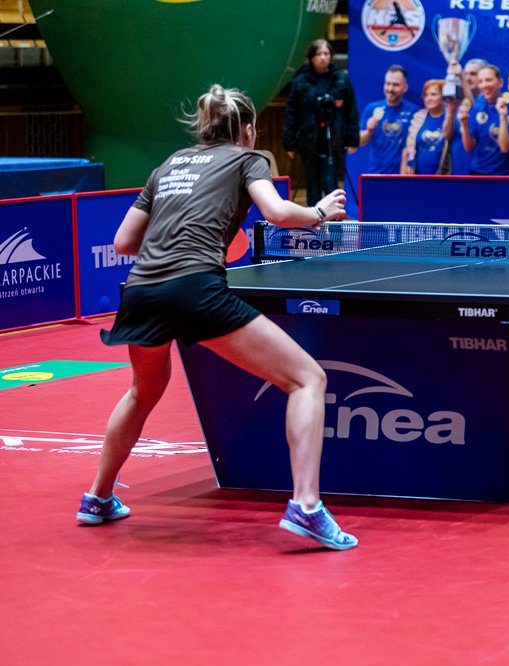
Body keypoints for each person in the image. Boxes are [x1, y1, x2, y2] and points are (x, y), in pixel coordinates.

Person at [77, 85, 358, 550]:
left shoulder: (168, 166)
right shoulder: (249, 159)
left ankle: (97, 497)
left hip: (142, 292)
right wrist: (318, 212)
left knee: (143, 391)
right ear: (247, 130)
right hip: (194, 289)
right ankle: (307, 507)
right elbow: (276, 212)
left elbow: (124, 242)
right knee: (308, 379)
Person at [282, 39, 359, 206]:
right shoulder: (300, 81)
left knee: (331, 181)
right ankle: (313, 217)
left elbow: (351, 111)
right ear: (311, 57)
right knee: (312, 184)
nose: (323, 57)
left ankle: (334, 218)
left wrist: (353, 139)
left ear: (331, 56)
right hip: (309, 139)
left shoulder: (341, 80)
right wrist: (289, 143)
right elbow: (291, 113)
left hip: (334, 139)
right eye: (319, 54)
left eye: (326, 53)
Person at [359, 65, 418, 173]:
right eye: (388, 84)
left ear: (405, 88)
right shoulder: (371, 109)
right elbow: (360, 142)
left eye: (395, 85)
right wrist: (369, 131)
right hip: (375, 173)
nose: (390, 89)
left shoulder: (414, 112)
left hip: (403, 175)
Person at [457, 63, 509, 175]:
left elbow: (505, 148)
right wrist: (464, 124)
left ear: (500, 83)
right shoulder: (477, 108)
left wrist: (503, 117)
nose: (484, 85)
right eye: (481, 81)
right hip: (478, 173)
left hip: (505, 175)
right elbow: (469, 147)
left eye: (488, 80)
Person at [443, 58, 487, 175]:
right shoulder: (457, 99)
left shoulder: (488, 101)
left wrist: (461, 77)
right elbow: (447, 135)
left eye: (473, 74)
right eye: (466, 74)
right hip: (458, 167)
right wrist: (451, 111)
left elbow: (474, 110)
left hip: (481, 170)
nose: (468, 78)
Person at [401, 79, 450, 175]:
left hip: (443, 175)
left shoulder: (450, 117)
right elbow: (406, 151)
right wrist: (402, 178)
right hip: (417, 176)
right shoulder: (418, 118)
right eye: (426, 95)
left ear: (443, 96)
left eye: (433, 94)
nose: (429, 98)